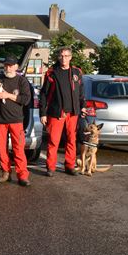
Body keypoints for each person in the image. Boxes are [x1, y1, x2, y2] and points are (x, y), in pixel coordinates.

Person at [0, 56, 32, 187]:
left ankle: (22, 176)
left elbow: (26, 99)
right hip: (0, 120)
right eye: (6, 65)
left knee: (18, 149)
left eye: (10, 65)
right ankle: (5, 172)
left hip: (16, 120)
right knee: (2, 149)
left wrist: (7, 95)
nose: (8, 68)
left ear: (16, 66)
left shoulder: (22, 81)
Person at [39, 46, 87, 177]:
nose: (64, 58)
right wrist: (42, 113)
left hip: (73, 114)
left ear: (70, 57)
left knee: (72, 140)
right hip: (56, 113)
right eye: (61, 56)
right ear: (58, 57)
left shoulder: (77, 72)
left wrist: (83, 106)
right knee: (53, 141)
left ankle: (70, 166)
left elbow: (81, 93)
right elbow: (43, 94)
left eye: (66, 56)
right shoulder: (51, 72)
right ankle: (50, 167)